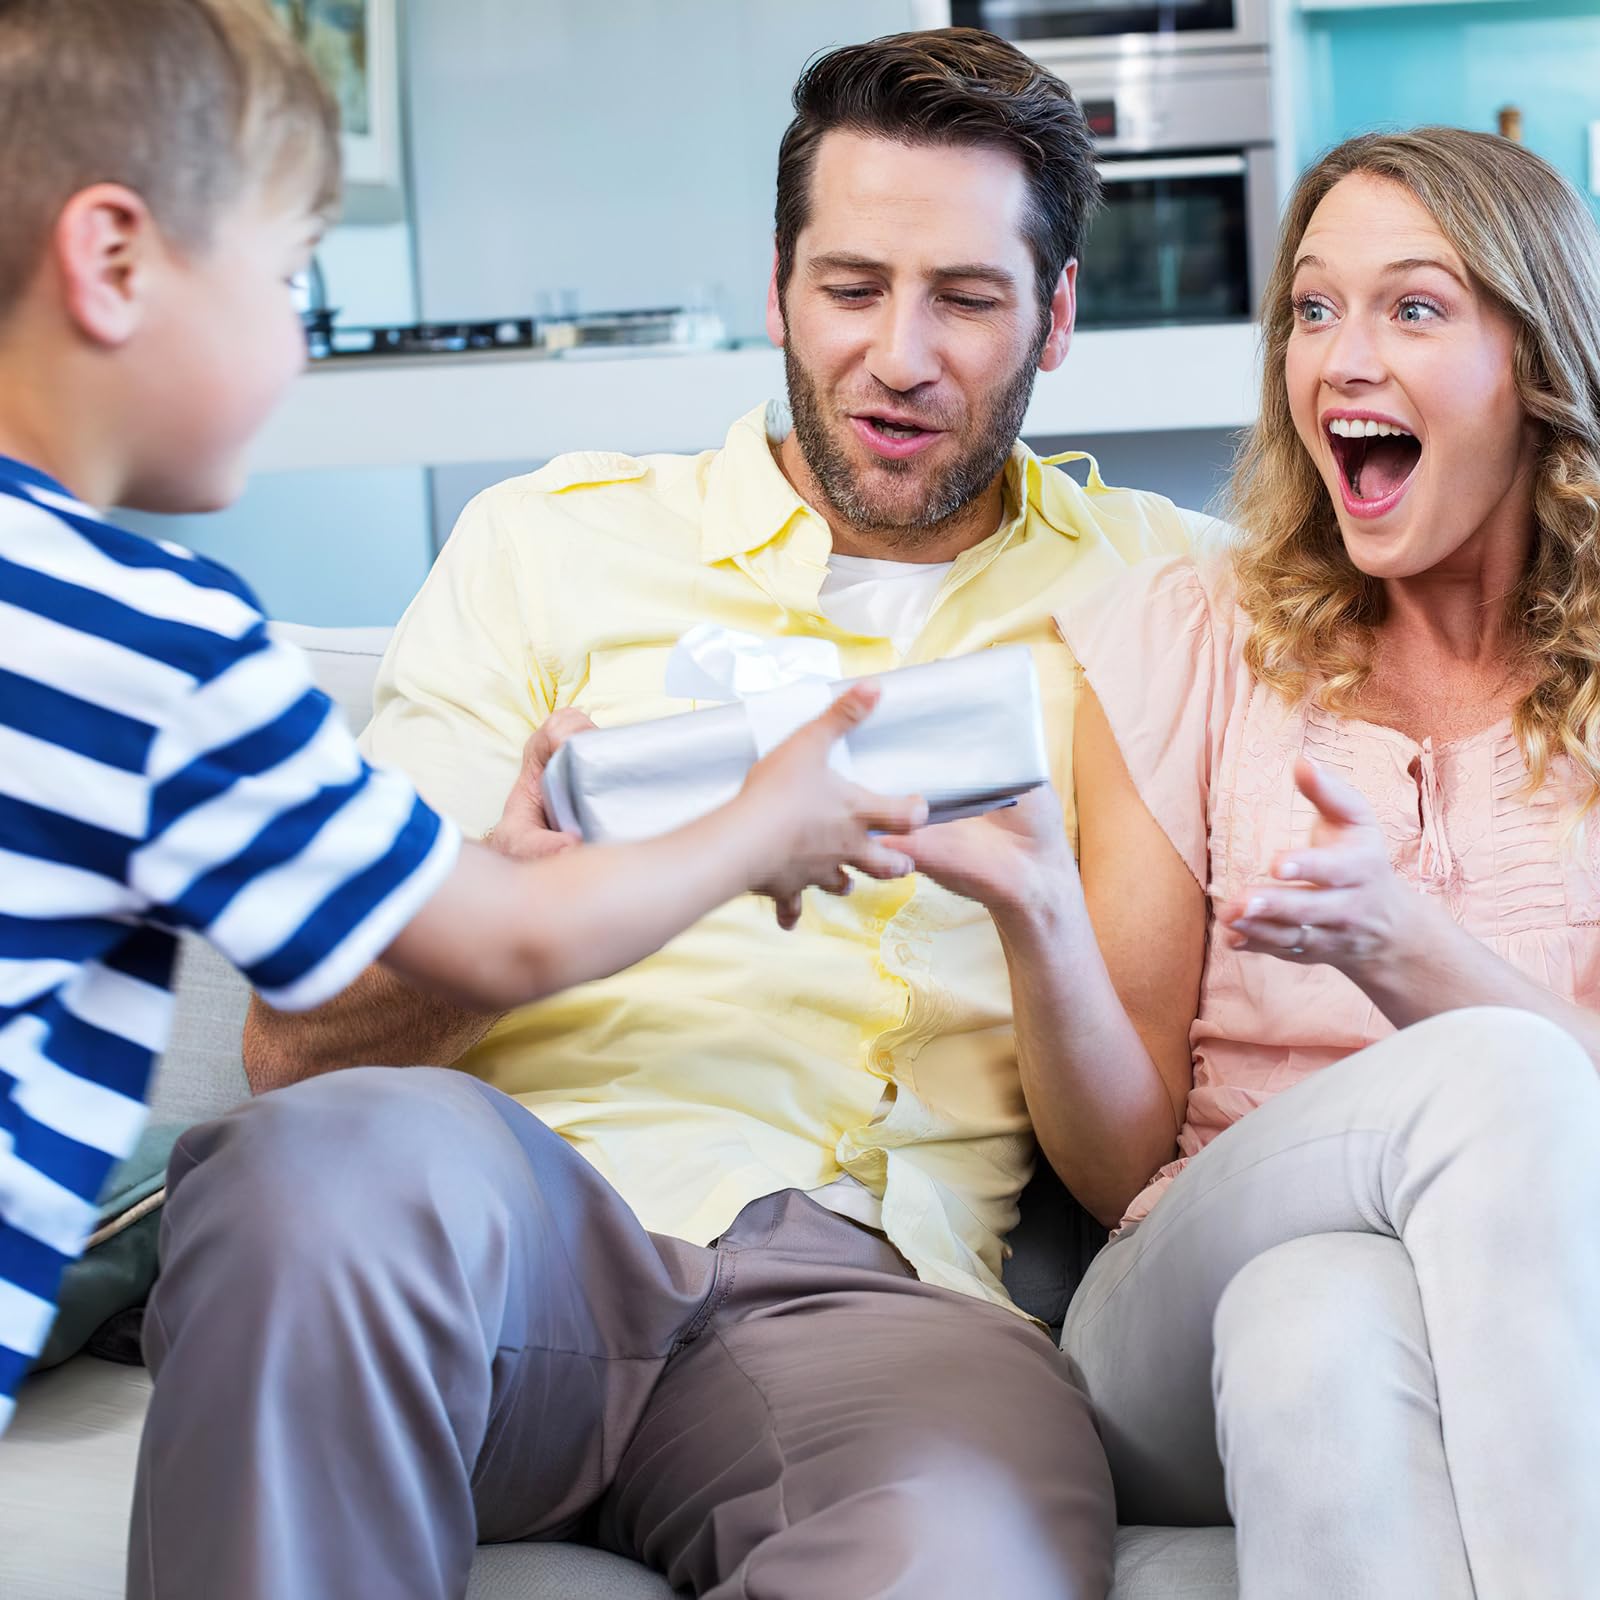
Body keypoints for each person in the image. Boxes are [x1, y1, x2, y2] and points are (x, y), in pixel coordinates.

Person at [134, 25, 1214, 1600]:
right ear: (778, 288)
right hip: (506, 1222)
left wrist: (1040, 903)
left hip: (877, 1306)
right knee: (319, 1172)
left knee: (958, 1552)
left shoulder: (1161, 593)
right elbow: (291, 1054)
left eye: (966, 298)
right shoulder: (544, 549)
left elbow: (1138, 1172)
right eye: (851, 287)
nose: (900, 354)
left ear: (1055, 318)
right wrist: (502, 909)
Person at [0, 0, 927, 1442]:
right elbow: (508, 943)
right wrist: (764, 820)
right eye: (288, 279)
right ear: (114, 262)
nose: (298, 341)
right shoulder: (155, 645)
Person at [903, 127, 1600, 1597]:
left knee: (1321, 1318)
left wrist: (1401, 943)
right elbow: (1113, 1168)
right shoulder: (1192, 638)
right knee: (1493, 1090)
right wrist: (1040, 912)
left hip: (1476, 1325)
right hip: (1174, 1302)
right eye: (1313, 307)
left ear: (1534, 366)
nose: (1342, 356)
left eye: (1414, 307)